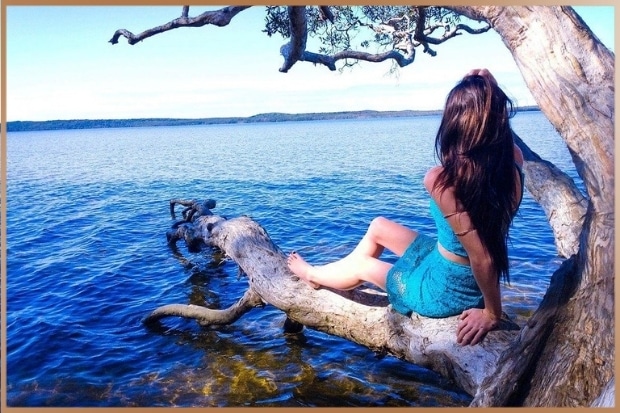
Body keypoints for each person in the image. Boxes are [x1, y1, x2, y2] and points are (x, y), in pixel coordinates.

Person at [287, 68, 524, 346]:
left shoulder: (442, 180)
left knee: (363, 264)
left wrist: (492, 313)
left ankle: (315, 275)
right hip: (447, 261)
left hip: (445, 290)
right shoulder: (512, 160)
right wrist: (489, 90)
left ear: (454, 124)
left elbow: (483, 258)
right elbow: (499, 132)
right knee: (378, 226)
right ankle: (338, 272)